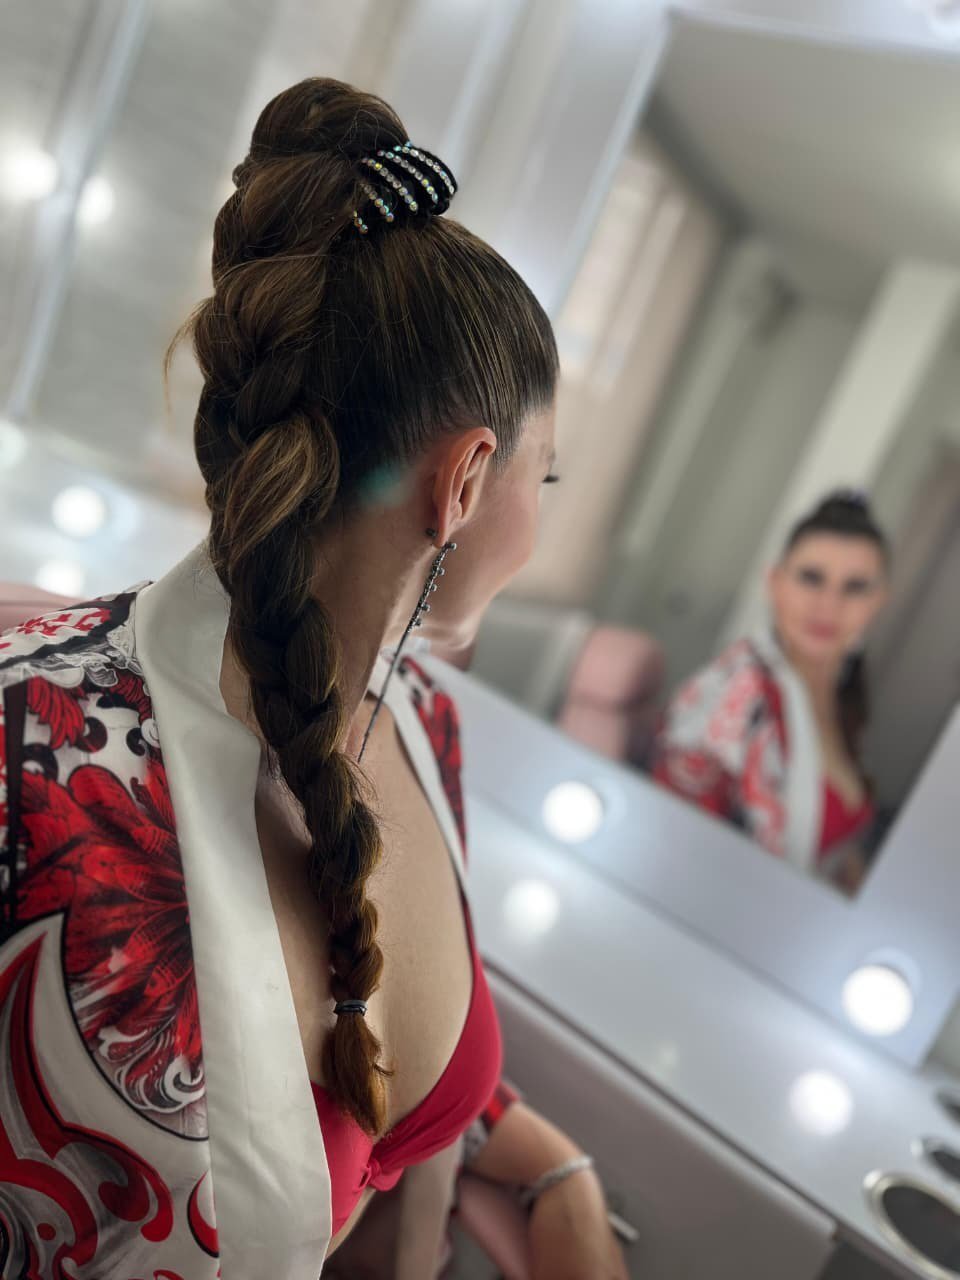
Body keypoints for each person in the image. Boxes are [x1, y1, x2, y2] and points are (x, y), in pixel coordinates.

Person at [0, 79, 627, 1279]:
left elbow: (369, 1058)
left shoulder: (424, 725)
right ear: (465, 480)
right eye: (542, 479)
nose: (540, 521)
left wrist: (559, 1170)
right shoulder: (29, 759)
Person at [652, 491, 890, 892]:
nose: (829, 604)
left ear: (878, 601)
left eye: (854, 587)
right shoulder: (735, 694)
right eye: (811, 578)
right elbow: (672, 854)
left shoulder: (842, 698)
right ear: (775, 582)